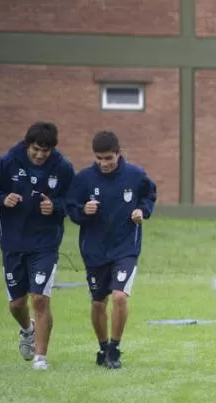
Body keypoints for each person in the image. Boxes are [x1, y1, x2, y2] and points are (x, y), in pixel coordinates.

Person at [0, 122, 75, 370]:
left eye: (45, 151)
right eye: (36, 149)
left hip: (45, 244)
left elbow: (73, 201)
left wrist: (54, 206)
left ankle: (40, 358)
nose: (40, 155)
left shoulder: (63, 168)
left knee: (40, 298)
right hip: (13, 243)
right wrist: (3, 198)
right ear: (27, 145)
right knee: (16, 304)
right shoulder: (7, 162)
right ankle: (27, 330)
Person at [66, 131, 157, 369]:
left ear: (118, 153)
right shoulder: (84, 178)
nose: (104, 163)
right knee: (98, 302)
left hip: (125, 248)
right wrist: (82, 210)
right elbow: (71, 208)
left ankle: (115, 350)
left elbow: (149, 196)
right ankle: (103, 347)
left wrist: (142, 211)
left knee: (119, 296)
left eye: (109, 158)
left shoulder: (135, 175)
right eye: (99, 158)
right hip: (94, 250)